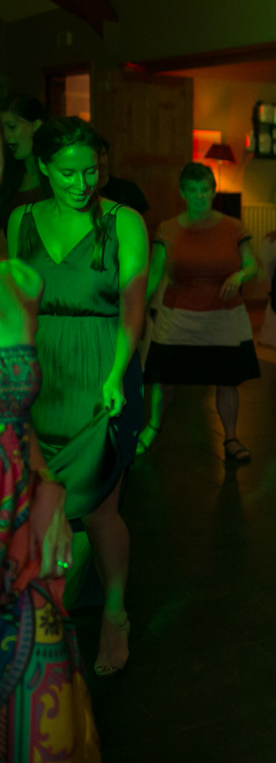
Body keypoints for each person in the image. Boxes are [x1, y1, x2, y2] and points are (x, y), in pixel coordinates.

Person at [6, 116, 148, 678]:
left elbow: (134, 306)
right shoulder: (21, 220)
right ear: (43, 166)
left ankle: (115, 613)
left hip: (102, 370)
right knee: (39, 499)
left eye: (91, 170)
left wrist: (116, 375)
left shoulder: (123, 221)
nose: (82, 183)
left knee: (100, 508)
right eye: (68, 172)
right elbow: (13, 303)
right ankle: (47, 607)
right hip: (42, 376)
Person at [0, 255, 101, 761]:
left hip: (17, 519)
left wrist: (48, 487)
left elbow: (16, 415)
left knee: (44, 713)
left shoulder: (18, 280)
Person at [138, 162, 260, 460]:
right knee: (165, 378)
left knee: (227, 381)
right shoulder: (169, 228)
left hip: (224, 316)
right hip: (179, 316)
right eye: (193, 191)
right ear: (183, 193)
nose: (200, 197)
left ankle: (230, 438)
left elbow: (251, 265)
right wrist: (136, 309)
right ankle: (152, 428)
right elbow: (154, 274)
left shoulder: (232, 227)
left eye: (205, 190)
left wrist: (239, 275)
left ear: (213, 192)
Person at [0, 95, 50, 233]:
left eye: (12, 127)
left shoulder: (54, 173)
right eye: (3, 129)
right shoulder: (9, 175)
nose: (7, 136)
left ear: (36, 125)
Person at [97, 137, 150, 216]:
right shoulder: (84, 194)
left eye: (103, 154)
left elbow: (146, 219)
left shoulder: (128, 189)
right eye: (96, 157)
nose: (102, 161)